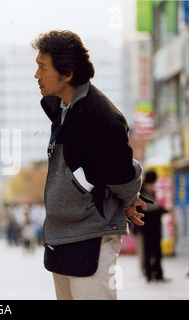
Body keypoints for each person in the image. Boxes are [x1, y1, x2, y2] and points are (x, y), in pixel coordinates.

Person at [32, 30, 147, 300]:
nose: (36, 75)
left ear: (67, 73)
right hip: (63, 236)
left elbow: (120, 173)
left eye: (41, 67)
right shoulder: (64, 108)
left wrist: (131, 197)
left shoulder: (101, 115)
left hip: (91, 235)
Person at [137, 170, 168, 282]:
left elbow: (154, 206)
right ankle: (149, 273)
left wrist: (161, 210)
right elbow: (148, 208)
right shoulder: (141, 192)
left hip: (155, 226)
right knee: (147, 250)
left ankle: (158, 274)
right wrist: (162, 210)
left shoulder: (152, 191)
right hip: (146, 226)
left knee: (157, 250)